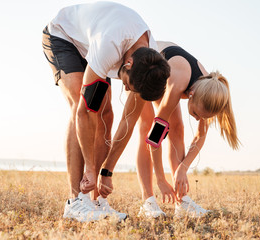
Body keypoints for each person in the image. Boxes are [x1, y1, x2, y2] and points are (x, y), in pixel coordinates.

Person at [42, 2, 170, 222]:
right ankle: (75, 202)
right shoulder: (110, 45)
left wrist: (106, 172)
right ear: (128, 64)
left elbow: (128, 122)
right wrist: (90, 168)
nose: (127, 89)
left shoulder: (150, 61)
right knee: (80, 103)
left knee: (106, 115)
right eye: (129, 85)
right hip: (64, 37)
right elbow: (84, 112)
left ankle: (92, 201)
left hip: (93, 44)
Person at [98, 41, 240, 218]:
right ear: (191, 94)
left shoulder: (210, 91)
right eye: (196, 113)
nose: (197, 119)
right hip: (145, 68)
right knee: (146, 125)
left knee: (178, 128)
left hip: (170, 74)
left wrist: (183, 168)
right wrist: (160, 179)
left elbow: (200, 136)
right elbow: (154, 138)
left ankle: (182, 202)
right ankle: (148, 202)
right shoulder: (178, 85)